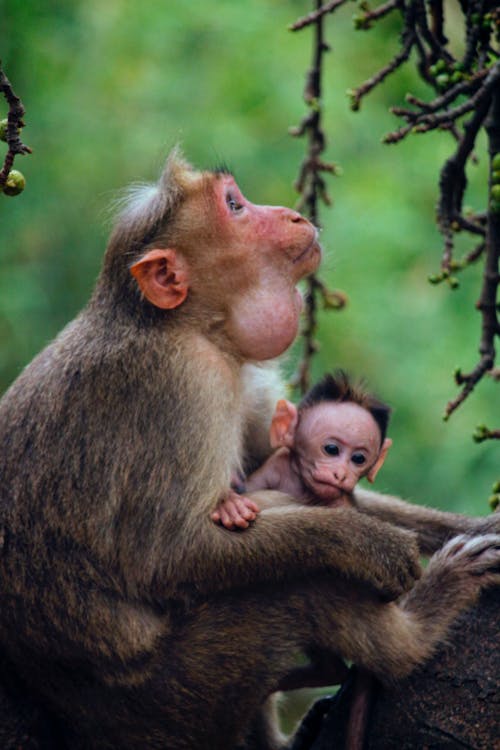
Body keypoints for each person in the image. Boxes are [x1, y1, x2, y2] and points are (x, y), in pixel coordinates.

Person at [212, 370, 392, 529]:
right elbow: (247, 496)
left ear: (377, 461)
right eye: (331, 449)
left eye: (358, 459)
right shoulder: (279, 466)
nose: (341, 472)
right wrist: (230, 503)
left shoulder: (342, 505)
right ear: (286, 429)